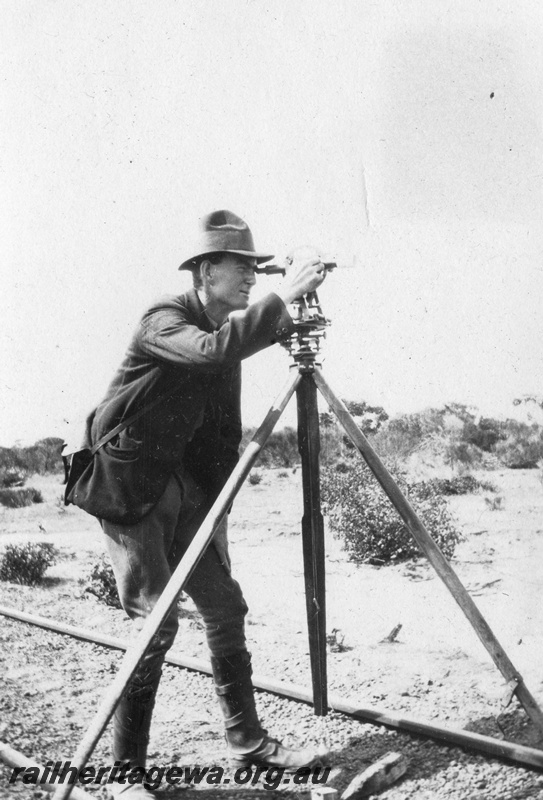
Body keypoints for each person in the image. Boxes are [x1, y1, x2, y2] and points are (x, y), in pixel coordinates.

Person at [79, 210, 326, 797]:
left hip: (188, 490)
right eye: (240, 267)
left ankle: (248, 743)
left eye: (255, 268)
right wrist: (287, 293)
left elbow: (221, 423)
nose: (251, 278)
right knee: (155, 626)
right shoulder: (165, 319)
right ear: (206, 271)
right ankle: (124, 776)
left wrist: (216, 513)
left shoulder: (227, 328)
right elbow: (214, 352)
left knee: (225, 605)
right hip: (132, 487)